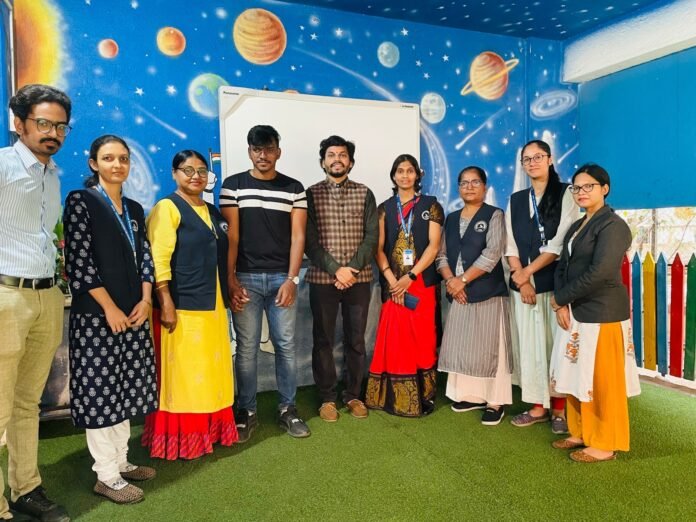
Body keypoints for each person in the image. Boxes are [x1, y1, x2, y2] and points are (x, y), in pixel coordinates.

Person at [63, 135, 157, 503]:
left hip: (134, 313)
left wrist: (146, 300)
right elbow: (79, 263)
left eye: (123, 158)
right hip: (97, 318)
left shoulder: (133, 208)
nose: (117, 165)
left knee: (125, 387)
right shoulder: (81, 201)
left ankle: (121, 461)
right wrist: (109, 308)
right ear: (93, 163)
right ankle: (106, 476)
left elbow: (145, 257)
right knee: (101, 392)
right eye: (108, 158)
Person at [0, 84, 71, 522]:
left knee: (28, 403)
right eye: (44, 123)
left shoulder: (52, 175)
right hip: (7, 297)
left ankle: (25, 489)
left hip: (47, 296)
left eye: (61, 126)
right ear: (19, 123)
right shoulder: (3, 165)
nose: (53, 133)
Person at [141, 150, 238, 459]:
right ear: (174, 173)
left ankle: (211, 432)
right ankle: (183, 439)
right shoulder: (167, 208)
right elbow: (158, 259)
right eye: (188, 170)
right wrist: (166, 301)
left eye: (201, 171)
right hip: (181, 307)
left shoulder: (213, 212)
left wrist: (230, 289)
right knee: (184, 377)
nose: (196, 176)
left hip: (213, 306)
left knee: (211, 372)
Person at [220, 125, 310, 440]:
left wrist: (292, 279)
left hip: (282, 279)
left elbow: (299, 236)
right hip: (245, 279)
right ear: (249, 152)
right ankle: (246, 411)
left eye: (269, 149)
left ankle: (288, 409)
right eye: (257, 149)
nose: (263, 155)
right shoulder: (233, 186)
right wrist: (230, 279)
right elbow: (231, 237)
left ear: (278, 152)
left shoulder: (294, 188)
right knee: (246, 348)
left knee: (285, 345)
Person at [549, 164, 640, 462]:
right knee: (577, 375)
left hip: (603, 313)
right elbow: (562, 266)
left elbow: (601, 272)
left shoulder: (613, 226)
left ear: (605, 189)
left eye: (589, 186)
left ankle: (605, 442)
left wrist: (561, 298)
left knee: (603, 383)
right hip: (576, 311)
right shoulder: (578, 225)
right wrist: (562, 303)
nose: (581, 192)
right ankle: (581, 432)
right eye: (577, 187)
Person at [506, 140, 580, 433]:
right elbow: (510, 244)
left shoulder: (566, 194)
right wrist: (521, 278)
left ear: (550, 159)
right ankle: (537, 406)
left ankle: (559, 409)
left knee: (554, 346)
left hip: (553, 285)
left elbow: (559, 242)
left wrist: (528, 273)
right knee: (530, 347)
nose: (532, 162)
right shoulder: (516, 199)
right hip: (523, 288)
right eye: (527, 159)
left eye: (538, 157)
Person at [305, 135, 378, 422]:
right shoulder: (310, 194)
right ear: (322, 162)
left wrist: (352, 269)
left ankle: (353, 394)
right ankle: (327, 398)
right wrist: (337, 269)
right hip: (323, 279)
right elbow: (309, 241)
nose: (337, 159)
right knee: (322, 339)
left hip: (359, 279)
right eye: (331, 155)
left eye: (343, 155)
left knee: (356, 339)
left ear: (351, 161)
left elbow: (371, 237)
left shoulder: (365, 193)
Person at [365, 154, 443, 417]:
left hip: (421, 282)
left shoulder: (431, 205)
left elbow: (434, 246)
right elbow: (378, 249)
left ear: (417, 176)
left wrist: (410, 277)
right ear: (393, 175)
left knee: (423, 338)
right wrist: (393, 281)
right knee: (396, 340)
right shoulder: (384, 208)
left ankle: (425, 396)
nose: (405, 175)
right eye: (400, 171)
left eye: (410, 171)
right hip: (393, 285)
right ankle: (393, 398)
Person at [436, 166, 512, 426]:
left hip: (488, 292)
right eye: (464, 183)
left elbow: (493, 253)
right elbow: (441, 255)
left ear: (484, 186)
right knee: (465, 347)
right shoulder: (451, 218)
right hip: (457, 292)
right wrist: (451, 281)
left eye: (475, 182)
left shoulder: (494, 215)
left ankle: (495, 401)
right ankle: (471, 396)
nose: (469, 187)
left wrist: (462, 280)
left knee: (492, 349)